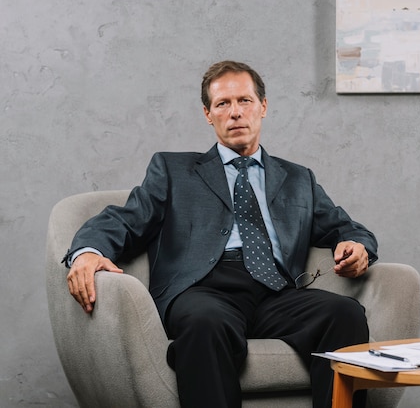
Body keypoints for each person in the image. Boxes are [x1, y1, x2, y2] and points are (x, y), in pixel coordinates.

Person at [63, 60, 377, 408]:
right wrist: (88, 251)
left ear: (263, 107)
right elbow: (125, 219)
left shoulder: (298, 178)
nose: (235, 113)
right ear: (208, 114)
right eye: (222, 104)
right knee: (204, 323)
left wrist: (356, 245)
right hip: (204, 290)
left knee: (345, 313)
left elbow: (345, 226)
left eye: (244, 101)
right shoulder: (174, 170)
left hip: (276, 293)